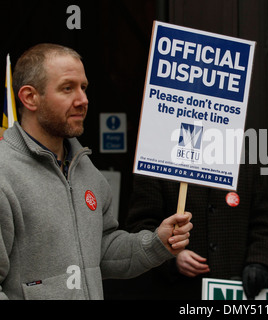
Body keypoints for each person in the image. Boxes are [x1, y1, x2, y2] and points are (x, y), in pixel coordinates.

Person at [0, 43, 192, 300]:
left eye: (84, 87)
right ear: (29, 97)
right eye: (68, 88)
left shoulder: (86, 169)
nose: (83, 100)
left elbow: (101, 250)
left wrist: (157, 243)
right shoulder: (4, 174)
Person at [123, 161, 268, 300]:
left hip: (237, 286)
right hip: (180, 290)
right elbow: (140, 227)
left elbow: (263, 223)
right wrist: (171, 257)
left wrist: (259, 262)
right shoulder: (157, 162)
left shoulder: (245, 163)